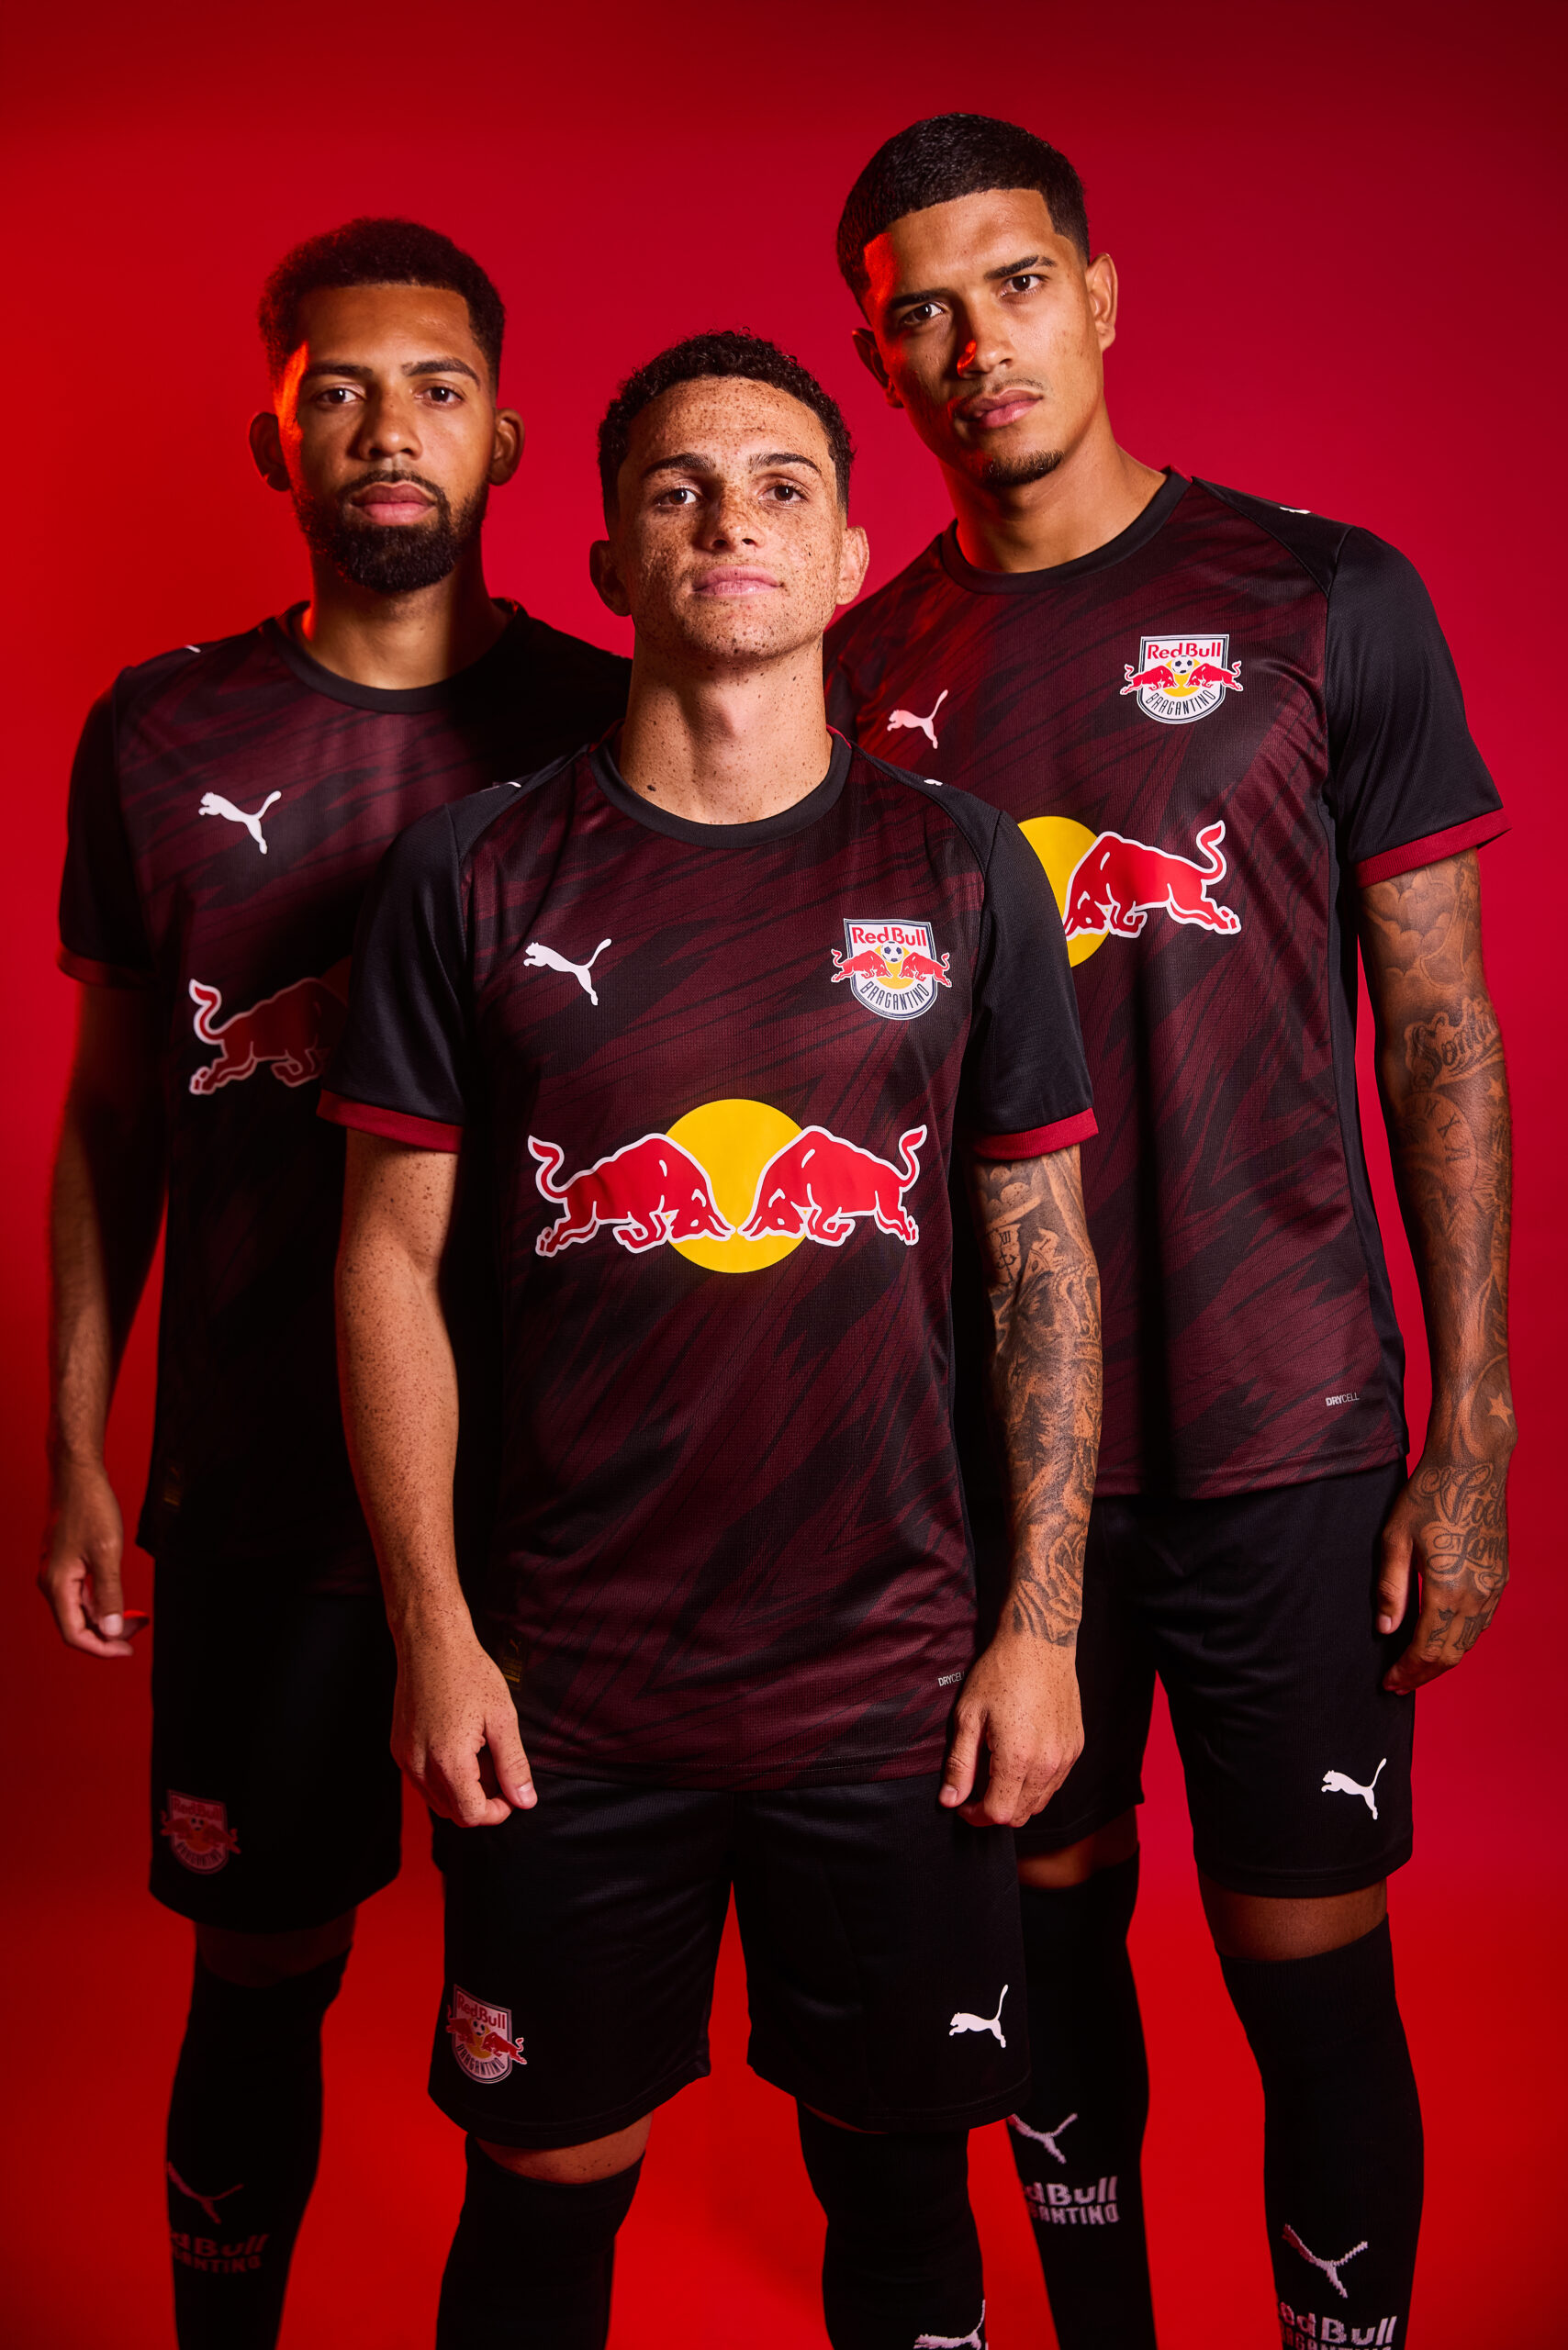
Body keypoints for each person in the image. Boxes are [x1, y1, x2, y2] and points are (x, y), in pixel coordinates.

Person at [323, 328, 1101, 2350]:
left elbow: (1039, 1258)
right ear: (605, 561)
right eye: (674, 488)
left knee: (903, 2182)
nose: (727, 520)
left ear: (844, 554)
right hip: (571, 1690)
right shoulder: (472, 871)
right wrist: (433, 1630)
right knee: (542, 2197)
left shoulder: (960, 866)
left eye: (777, 486)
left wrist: (1040, 1626)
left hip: (891, 1683)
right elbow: (389, 1264)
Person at [825, 114, 1513, 2350]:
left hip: (1282, 1429)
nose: (974, 343)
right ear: (878, 359)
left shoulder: (1321, 596)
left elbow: (1438, 1024)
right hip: (990, 1474)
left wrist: (1472, 1424)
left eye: (1013, 282)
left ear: (1100, 295)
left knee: (1311, 1983)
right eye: (919, 313)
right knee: (1038, 1957)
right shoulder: (849, 670)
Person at [39, 216, 629, 2350]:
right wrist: (79, 1445)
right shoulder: (160, 724)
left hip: (559, 1515)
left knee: (530, 2034)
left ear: (507, 441)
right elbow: (115, 1112)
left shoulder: (609, 718)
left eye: (437, 389)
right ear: (272, 437)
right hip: (261, 1493)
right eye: (344, 390)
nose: (392, 428)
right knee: (257, 1974)